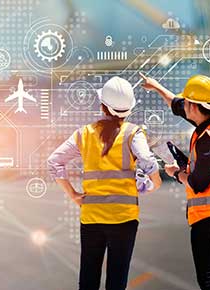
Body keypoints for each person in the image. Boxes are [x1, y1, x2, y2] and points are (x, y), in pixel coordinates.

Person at [47, 76, 162, 290]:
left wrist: (73, 194)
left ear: (102, 106)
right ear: (129, 109)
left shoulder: (84, 134)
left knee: (88, 280)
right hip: (123, 218)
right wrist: (155, 183)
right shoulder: (133, 133)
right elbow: (147, 160)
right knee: (117, 281)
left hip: (91, 217)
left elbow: (54, 161)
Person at [140, 73, 210, 290]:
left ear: (194, 106)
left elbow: (198, 183)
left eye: (187, 103)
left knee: (209, 281)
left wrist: (175, 172)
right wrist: (156, 87)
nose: (184, 106)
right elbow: (176, 105)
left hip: (209, 218)